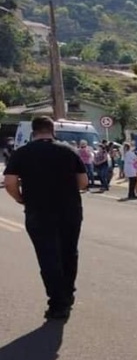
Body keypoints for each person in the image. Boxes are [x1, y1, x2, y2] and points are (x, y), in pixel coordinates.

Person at [2, 116, 89, 320]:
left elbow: (9, 182)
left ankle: (57, 303)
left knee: (48, 256)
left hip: (38, 211)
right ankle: (68, 294)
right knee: (69, 253)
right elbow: (83, 182)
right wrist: (66, 190)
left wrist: (21, 199)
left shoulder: (22, 153)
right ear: (53, 130)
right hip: (70, 210)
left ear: (33, 132)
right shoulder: (69, 151)